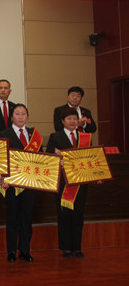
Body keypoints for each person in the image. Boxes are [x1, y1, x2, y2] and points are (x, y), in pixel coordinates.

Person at [0, 104, 42, 263]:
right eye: (17, 114)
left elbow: (40, 158)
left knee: (27, 217)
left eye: (23, 114)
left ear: (27, 116)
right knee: (12, 217)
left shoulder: (34, 135)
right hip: (12, 183)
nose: (21, 117)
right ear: (12, 117)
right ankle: (11, 251)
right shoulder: (3, 134)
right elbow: (0, 157)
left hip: (30, 182)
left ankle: (25, 250)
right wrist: (3, 177)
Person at [47, 106, 93, 259]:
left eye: (74, 118)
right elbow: (48, 157)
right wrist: (57, 157)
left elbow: (91, 158)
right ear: (62, 121)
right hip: (63, 183)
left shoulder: (85, 137)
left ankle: (77, 247)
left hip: (80, 183)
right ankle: (66, 247)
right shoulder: (55, 137)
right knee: (64, 216)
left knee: (78, 215)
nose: (72, 121)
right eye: (69, 119)